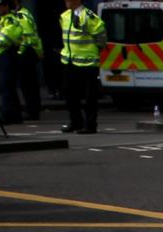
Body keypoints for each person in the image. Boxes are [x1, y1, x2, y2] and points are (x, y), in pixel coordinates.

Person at [0, 0, 40, 122]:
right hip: (19, 52)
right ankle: (17, 114)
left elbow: (13, 35)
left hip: (22, 52)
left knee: (18, 84)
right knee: (14, 85)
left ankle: (18, 113)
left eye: (0, 6)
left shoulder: (18, 16)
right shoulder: (7, 18)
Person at [57, 0, 100, 133]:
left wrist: (95, 51)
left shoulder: (88, 16)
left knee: (89, 97)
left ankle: (90, 125)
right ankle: (76, 122)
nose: (66, 1)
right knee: (69, 94)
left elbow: (101, 36)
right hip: (70, 62)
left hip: (88, 62)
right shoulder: (64, 16)